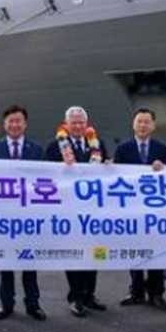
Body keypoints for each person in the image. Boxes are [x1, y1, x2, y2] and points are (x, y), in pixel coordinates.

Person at [45, 105, 110, 317]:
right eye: (74, 122)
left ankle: (90, 295)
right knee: (73, 254)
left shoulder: (98, 144)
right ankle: (75, 297)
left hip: (92, 211)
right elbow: (46, 176)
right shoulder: (55, 147)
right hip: (68, 210)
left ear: (87, 124)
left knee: (93, 254)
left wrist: (110, 165)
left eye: (81, 122)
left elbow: (108, 172)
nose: (78, 126)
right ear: (67, 124)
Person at [0, 105, 47, 321]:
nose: (14, 125)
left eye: (18, 121)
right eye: (11, 121)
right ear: (4, 125)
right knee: (6, 265)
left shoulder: (37, 150)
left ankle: (33, 304)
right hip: (4, 217)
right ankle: (6, 304)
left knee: (30, 264)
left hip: (29, 216)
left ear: (25, 124)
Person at [114, 107, 166, 308]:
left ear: (153, 125)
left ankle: (157, 292)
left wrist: (163, 168)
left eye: (147, 122)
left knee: (157, 252)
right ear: (133, 124)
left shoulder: (162, 149)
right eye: (139, 121)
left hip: (155, 210)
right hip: (132, 210)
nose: (143, 125)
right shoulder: (123, 149)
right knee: (135, 251)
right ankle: (136, 291)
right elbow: (114, 178)